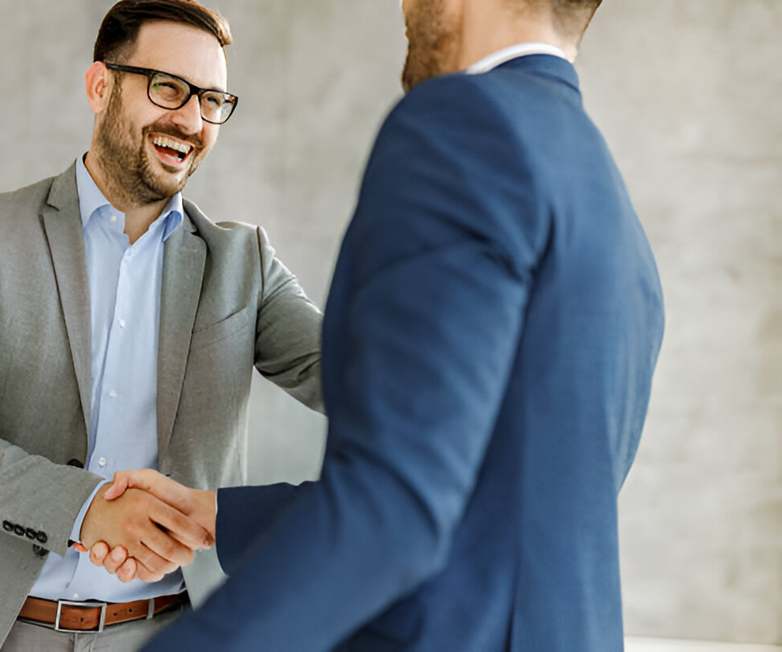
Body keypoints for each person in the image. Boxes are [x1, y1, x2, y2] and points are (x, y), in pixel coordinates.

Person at [91, 0, 666, 650]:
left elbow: (395, 508)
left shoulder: (462, 126)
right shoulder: (604, 192)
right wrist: (218, 514)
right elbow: (488, 493)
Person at [0, 1, 323, 651]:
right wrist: (83, 507)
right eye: (168, 88)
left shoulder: (243, 265)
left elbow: (366, 383)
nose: (190, 120)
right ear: (100, 86)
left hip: (167, 633)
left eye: (212, 100)